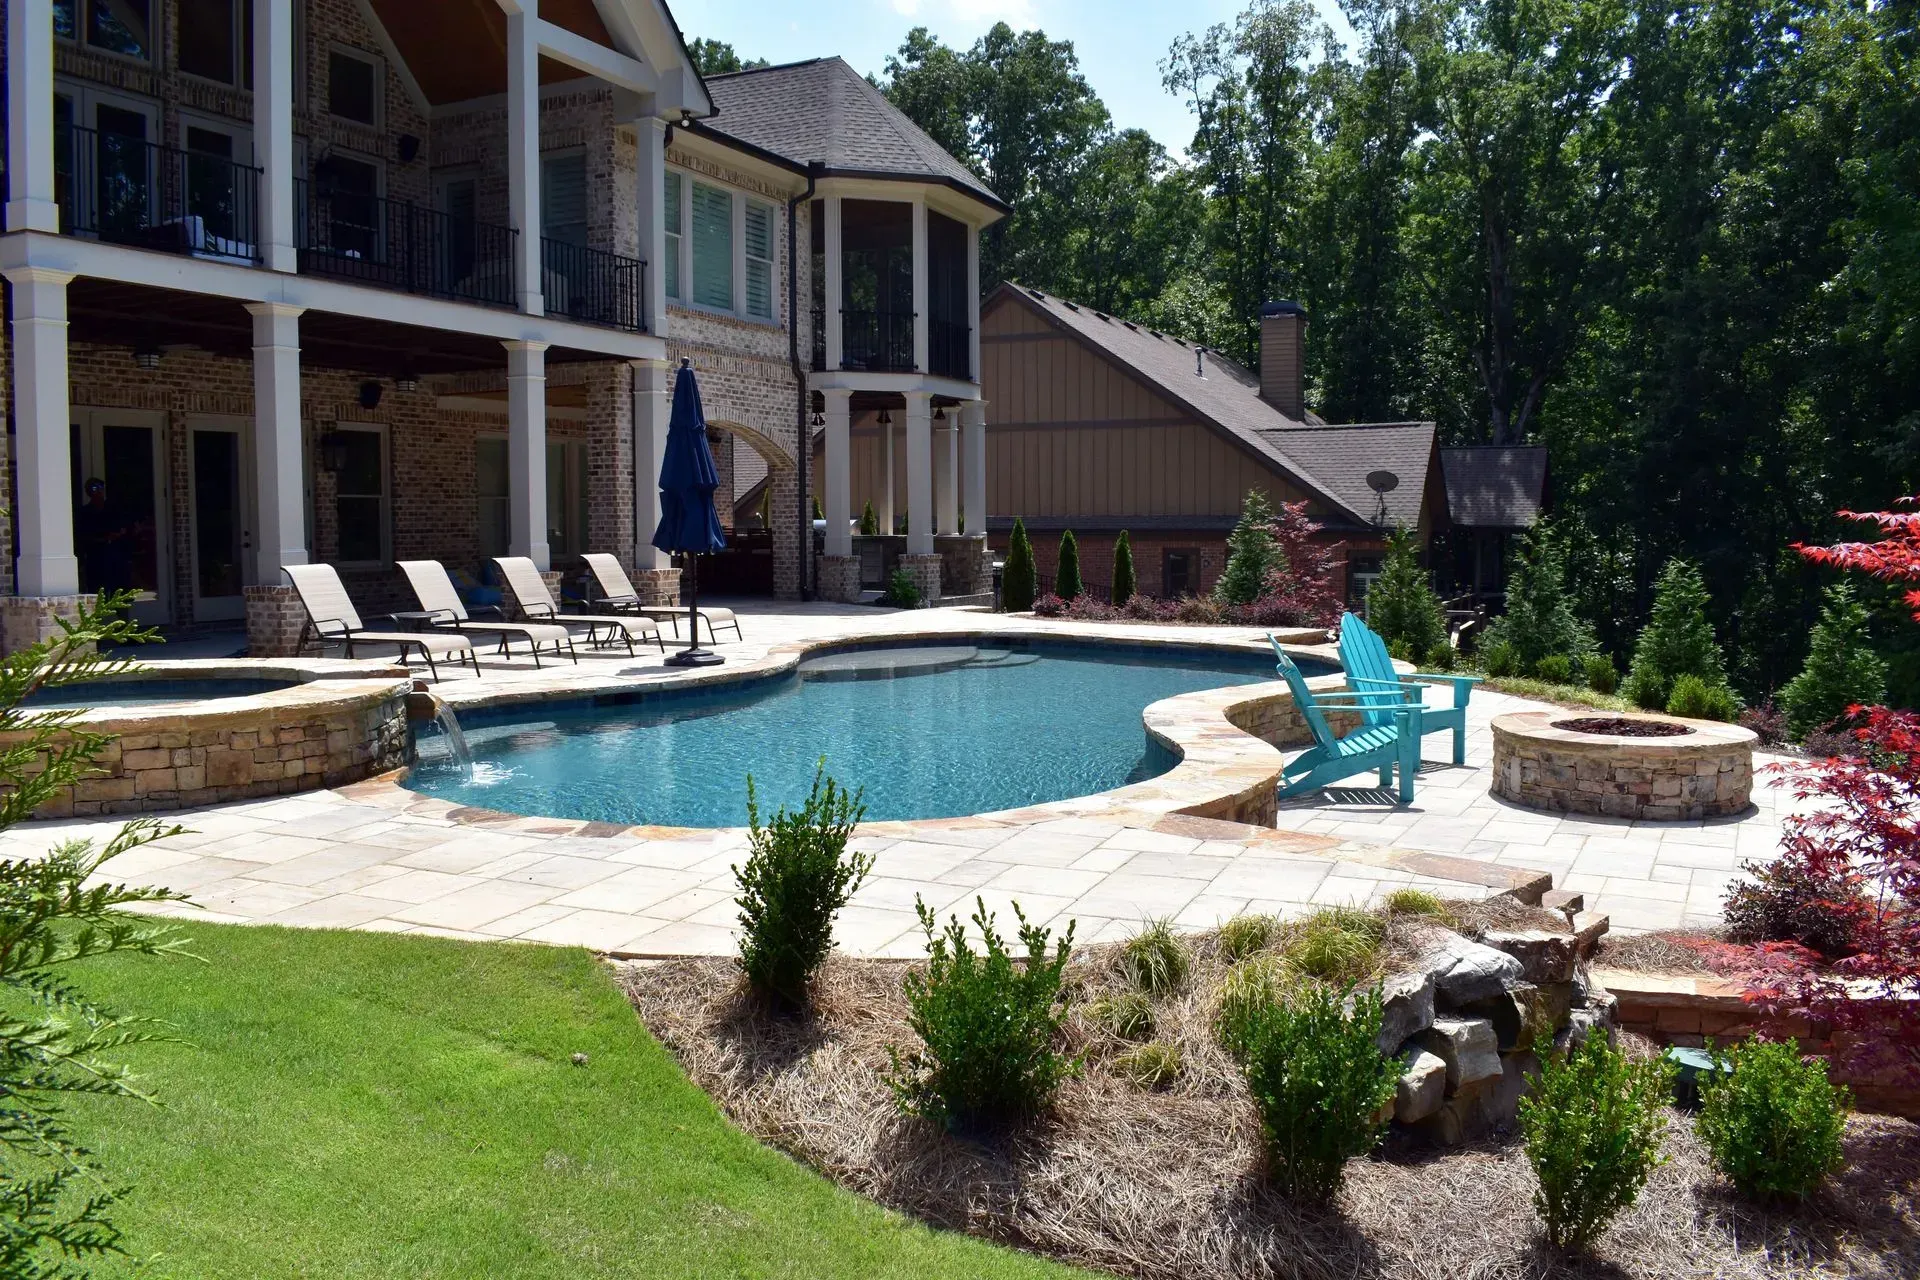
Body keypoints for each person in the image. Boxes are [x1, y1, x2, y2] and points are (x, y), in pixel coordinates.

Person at [75, 477, 133, 593]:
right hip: (96, 560)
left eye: (99, 488)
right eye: (93, 488)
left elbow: (125, 529)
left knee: (119, 594)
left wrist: (119, 534)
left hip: (117, 558)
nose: (97, 491)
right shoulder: (84, 513)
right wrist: (103, 539)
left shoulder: (114, 509)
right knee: (98, 594)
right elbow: (83, 537)